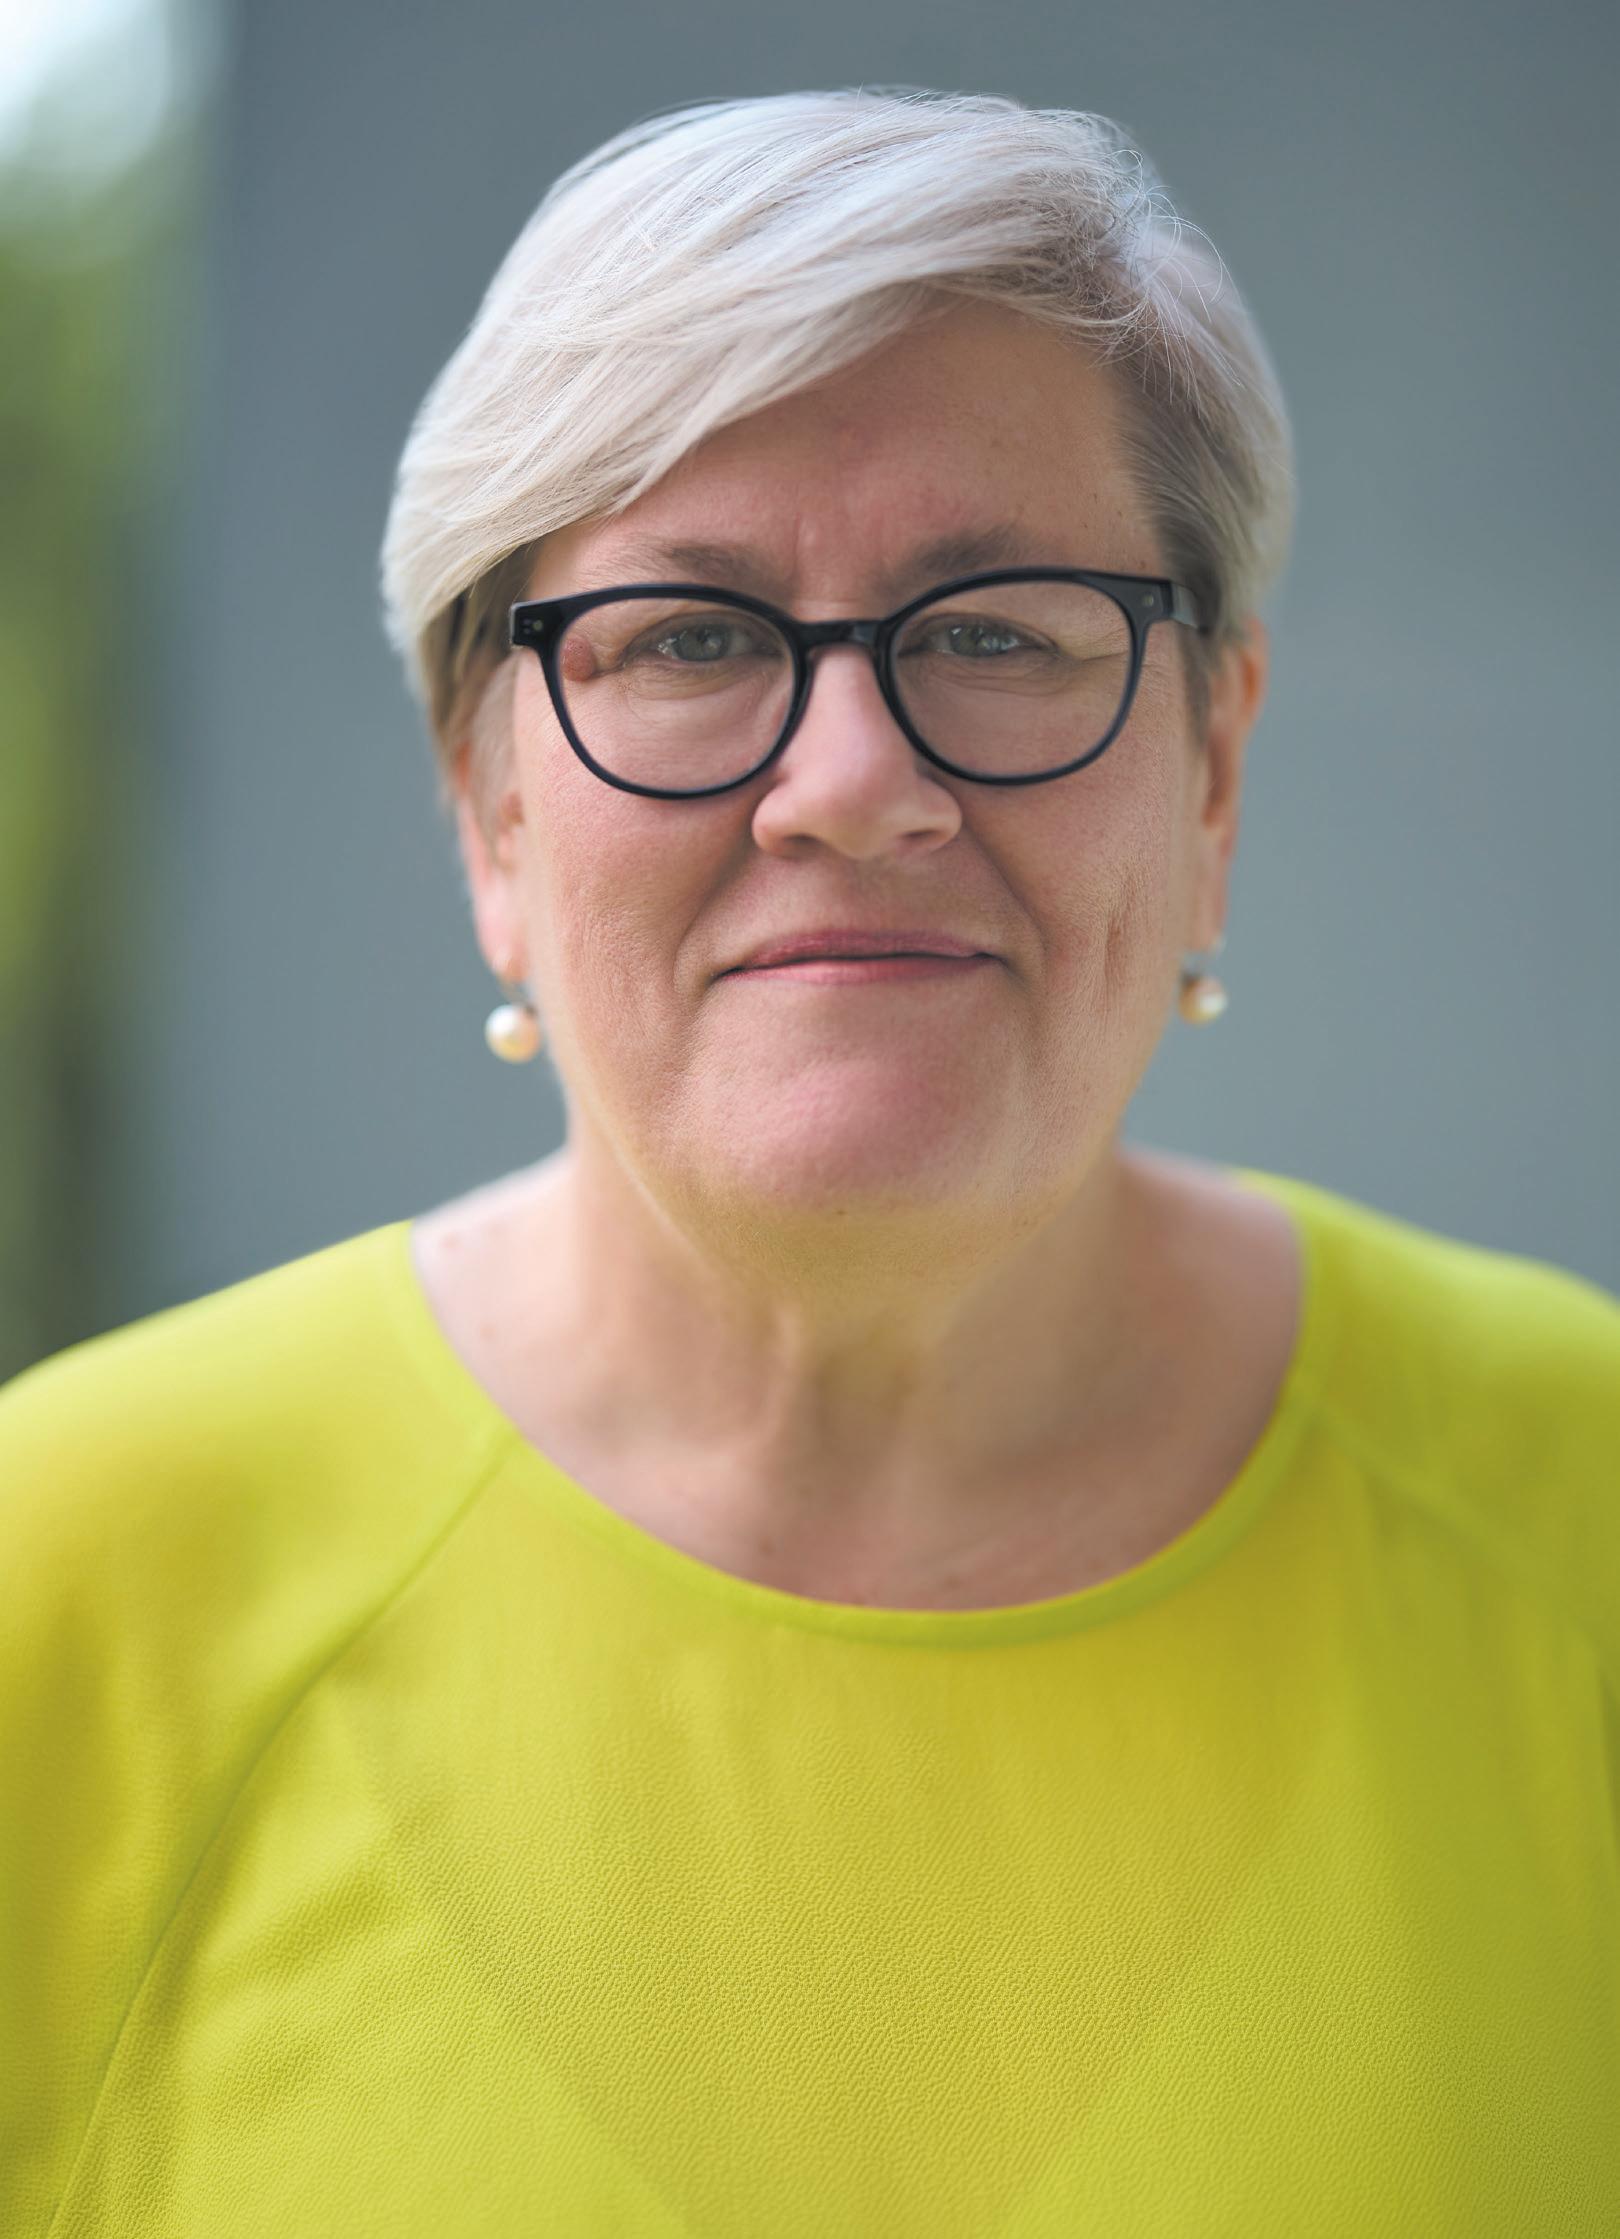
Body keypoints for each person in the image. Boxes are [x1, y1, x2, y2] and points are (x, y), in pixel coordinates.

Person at [3, 87, 1617, 2239]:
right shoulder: (62, 1585)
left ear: (1213, 767)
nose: (849, 784)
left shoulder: (1579, 1513)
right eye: (689, 637)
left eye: (996, 629)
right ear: (491, 807)